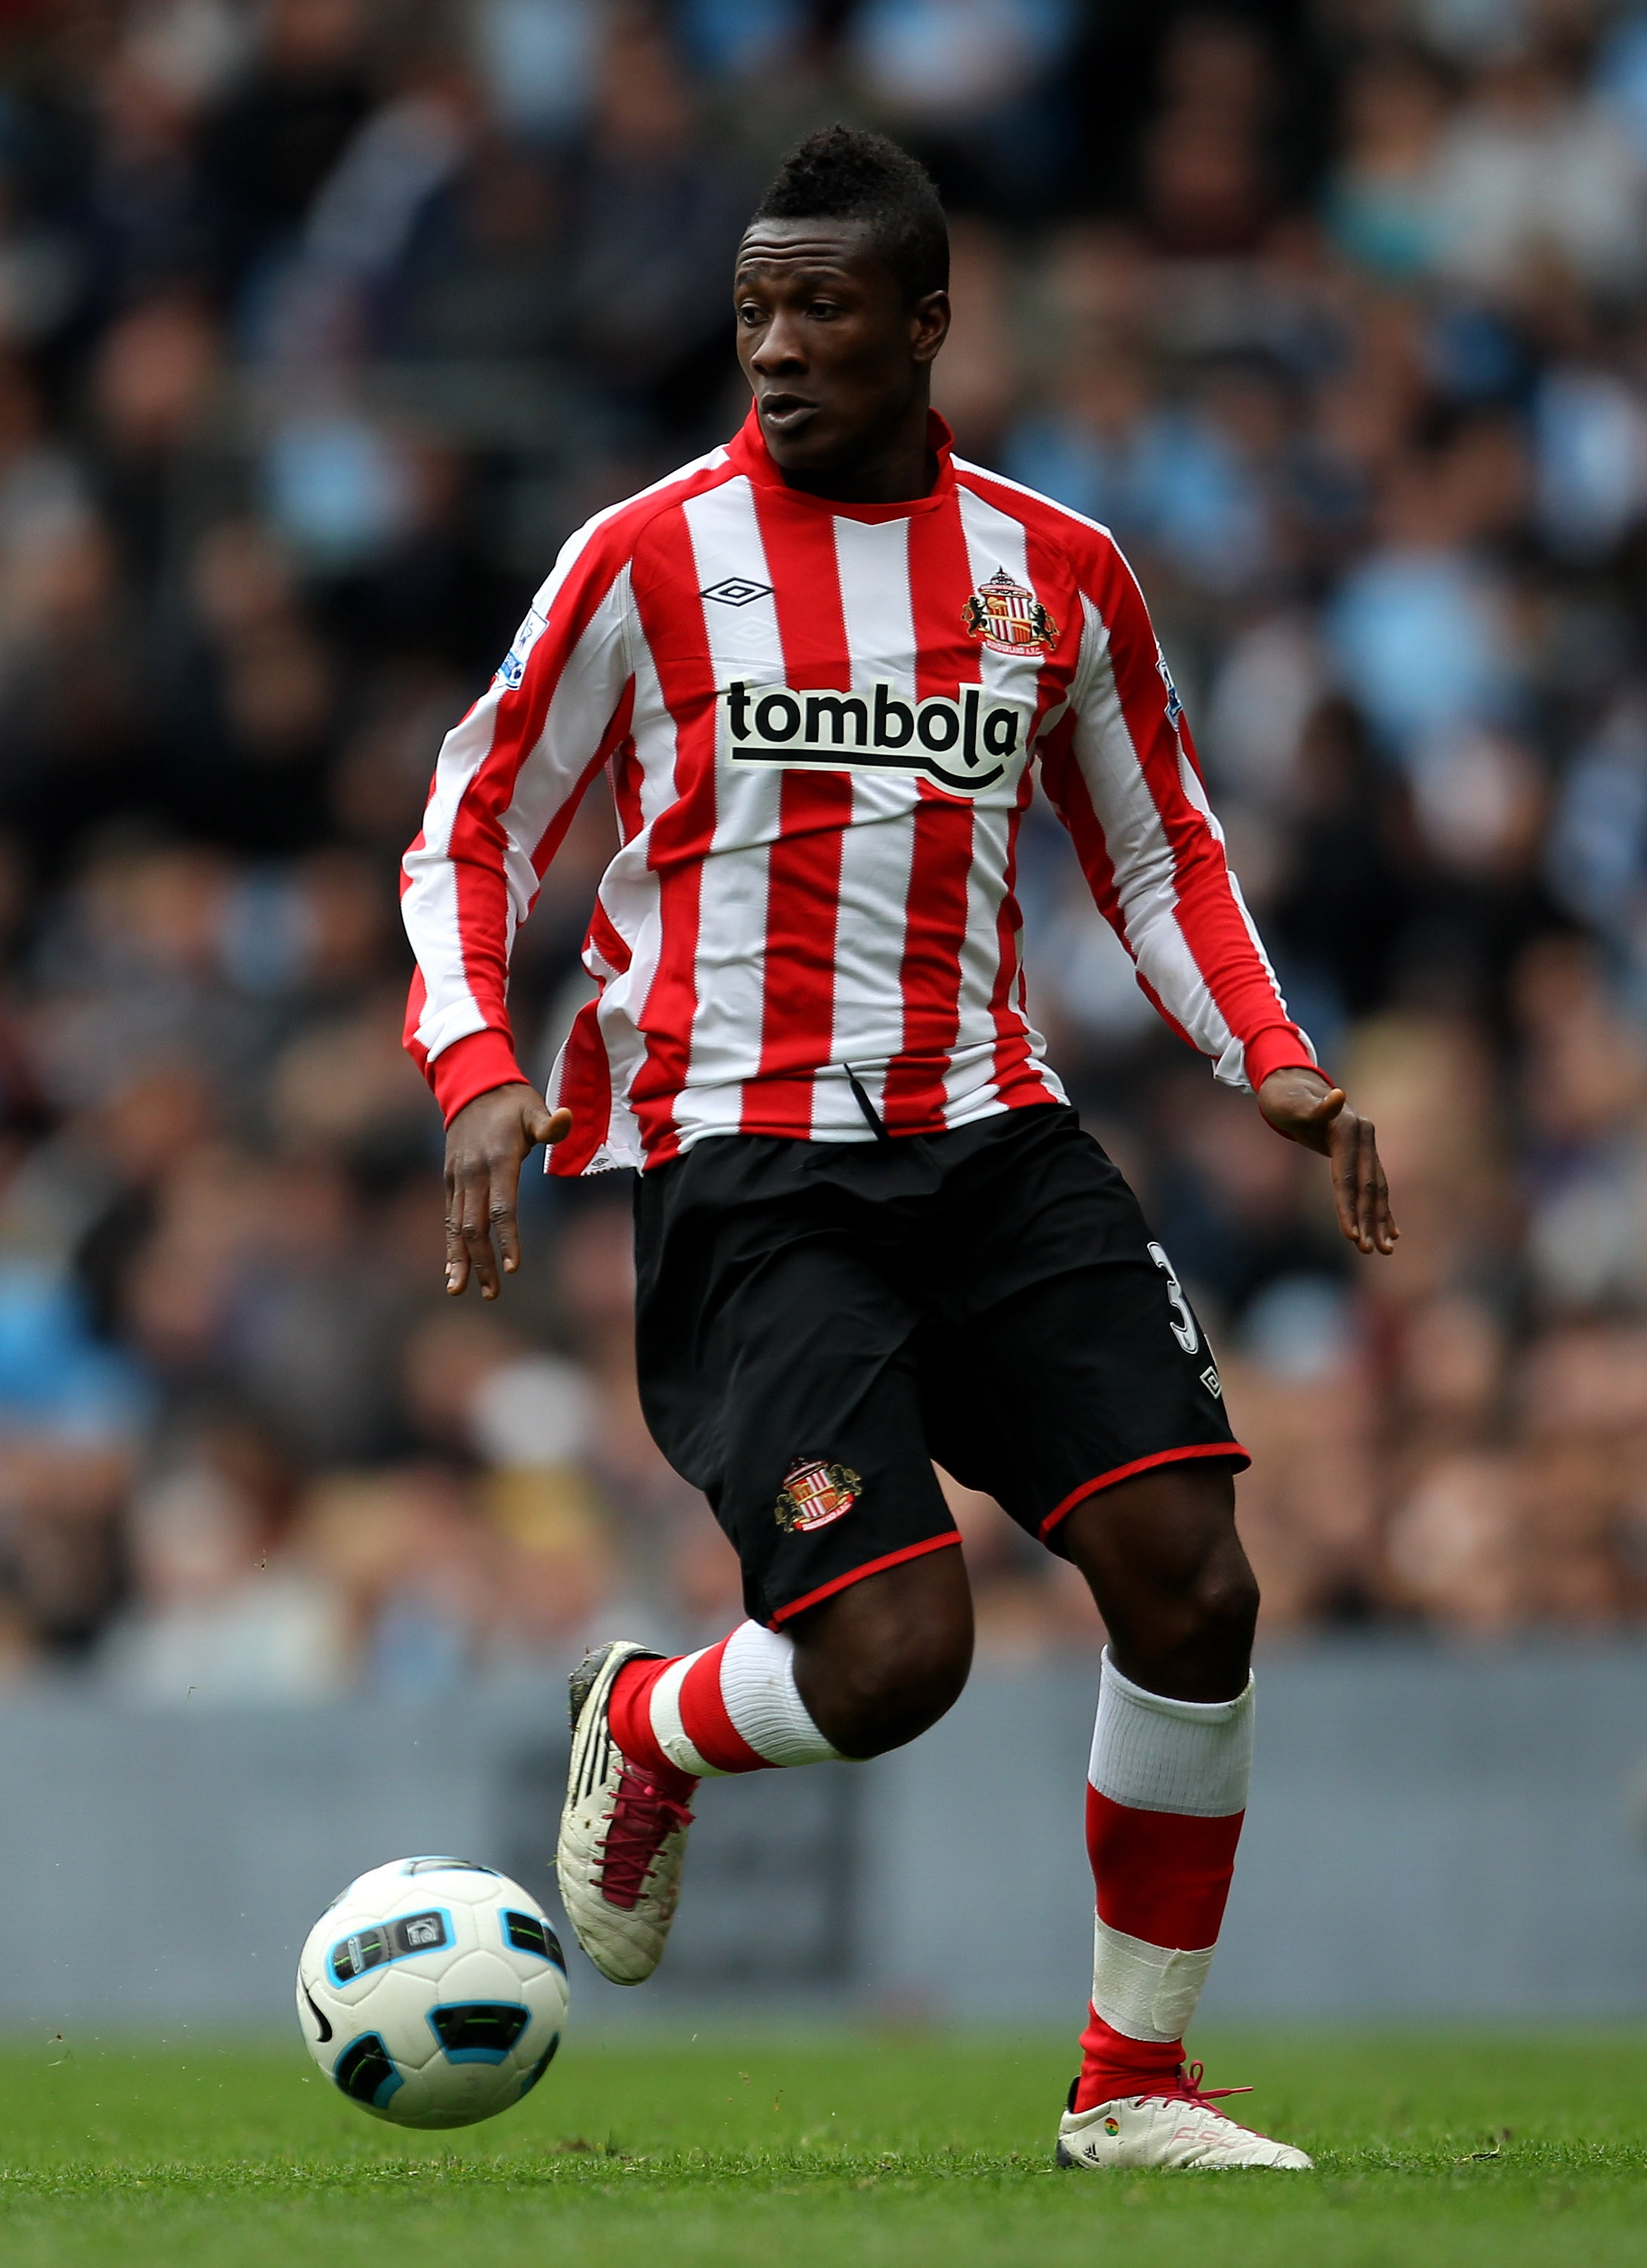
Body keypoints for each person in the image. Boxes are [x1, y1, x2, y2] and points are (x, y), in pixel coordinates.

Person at [401, 126, 1396, 2173]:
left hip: (990, 1137)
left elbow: (1158, 848)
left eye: (820, 307)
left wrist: (1272, 1063)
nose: (773, 346)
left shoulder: (1055, 571)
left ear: (927, 325)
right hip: (743, 1163)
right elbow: (467, 819)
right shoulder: (647, 558)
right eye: (754, 306)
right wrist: (478, 1060)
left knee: (1191, 1582)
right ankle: (652, 1721)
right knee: (891, 1656)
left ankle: (1131, 2087)